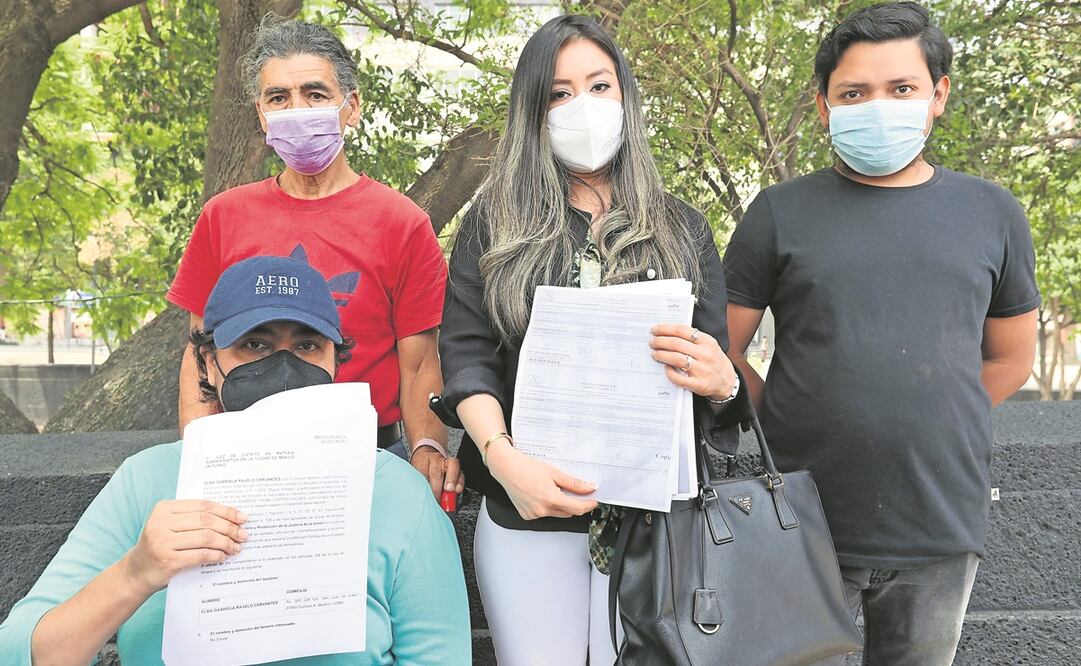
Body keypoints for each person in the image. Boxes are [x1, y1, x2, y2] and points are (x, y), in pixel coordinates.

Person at [722, 3, 1040, 664]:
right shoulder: (779, 212)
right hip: (798, 515)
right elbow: (720, 351)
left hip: (938, 519)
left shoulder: (991, 212)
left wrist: (931, 416)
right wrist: (780, 417)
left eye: (900, 88)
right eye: (853, 93)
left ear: (937, 94)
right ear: (823, 107)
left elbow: (1010, 358)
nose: (878, 105)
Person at [433, 15, 743, 665]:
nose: (583, 106)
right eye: (559, 93)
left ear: (626, 97)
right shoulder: (494, 221)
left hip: (653, 526)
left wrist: (721, 381)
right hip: (525, 513)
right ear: (532, 112)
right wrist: (500, 455)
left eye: (599, 85)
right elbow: (465, 356)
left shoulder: (680, 227)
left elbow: (719, 383)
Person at [0, 256, 471, 665]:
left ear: (336, 362)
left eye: (307, 345)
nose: (283, 366)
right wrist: (135, 574)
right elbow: (21, 653)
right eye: (255, 345)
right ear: (207, 361)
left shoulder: (396, 493)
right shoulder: (147, 482)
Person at [167, 17, 461, 500]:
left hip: (366, 461)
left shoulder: (402, 223)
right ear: (261, 115)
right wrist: (200, 458)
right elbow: (200, 353)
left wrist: (426, 447)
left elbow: (419, 362)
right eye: (278, 98)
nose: (295, 109)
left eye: (315, 94)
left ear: (352, 108)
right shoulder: (223, 217)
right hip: (243, 460)